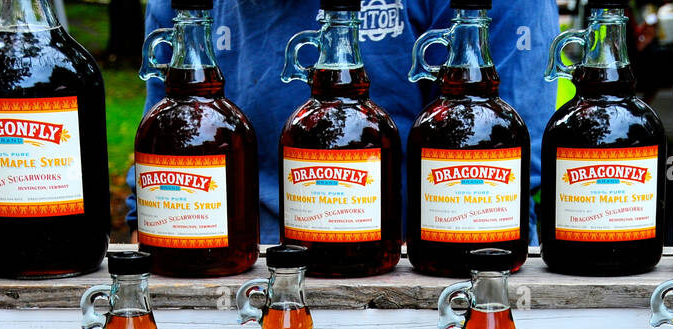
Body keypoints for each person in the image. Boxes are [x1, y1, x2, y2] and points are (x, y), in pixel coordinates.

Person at [127, 0, 560, 244]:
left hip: (435, 260)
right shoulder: (181, 7)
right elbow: (158, 165)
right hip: (241, 263)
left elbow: (508, 163)